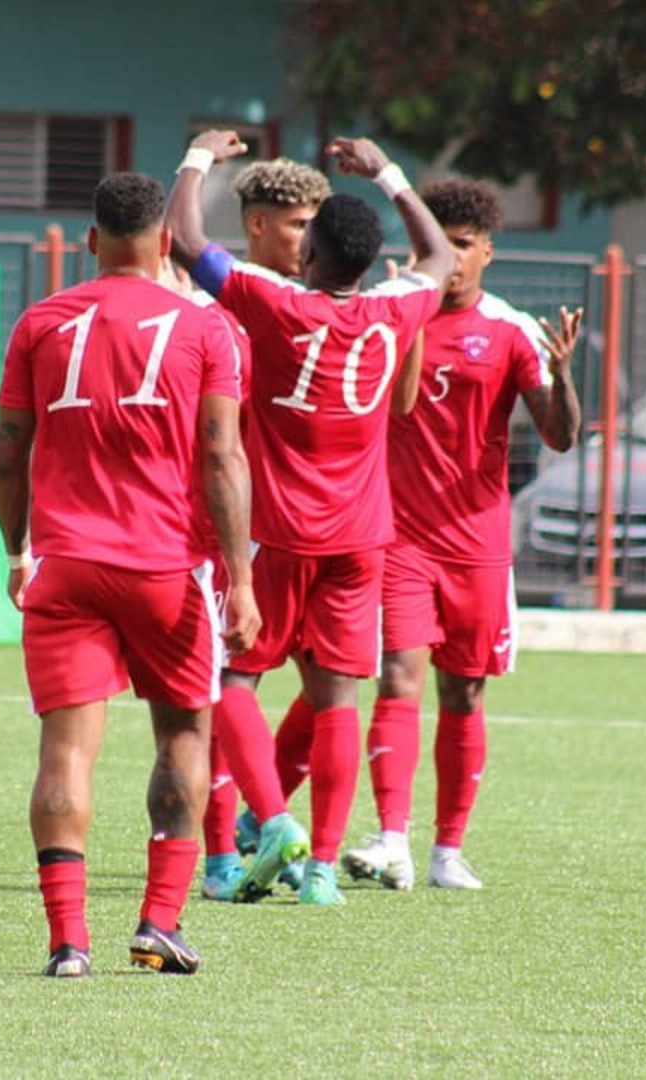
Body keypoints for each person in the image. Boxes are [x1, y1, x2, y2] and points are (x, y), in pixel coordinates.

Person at [266, 179, 583, 891]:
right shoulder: (392, 313)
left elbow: (561, 436)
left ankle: (448, 850)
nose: (453, 260)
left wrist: (562, 378)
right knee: (397, 678)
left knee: (465, 693)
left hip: (478, 543)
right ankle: (391, 841)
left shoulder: (511, 331)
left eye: (465, 246)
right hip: (395, 535)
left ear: (487, 253)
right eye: (442, 246)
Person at [166, 127, 454, 906]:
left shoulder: (279, 301)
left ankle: (266, 825)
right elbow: (440, 260)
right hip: (363, 536)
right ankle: (321, 869)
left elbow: (187, 240)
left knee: (231, 679)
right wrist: (391, 172)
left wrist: (197, 158)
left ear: (314, 250)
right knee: (337, 702)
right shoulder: (397, 308)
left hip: (278, 533)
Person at [0, 172, 259, 976]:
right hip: (165, 568)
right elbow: (221, 455)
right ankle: (158, 923)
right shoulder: (203, 329)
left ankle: (68, 943)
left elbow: (7, 450)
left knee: (65, 753)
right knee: (183, 732)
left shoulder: (42, 322)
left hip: (66, 565)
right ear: (165, 242)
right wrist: (240, 578)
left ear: (90, 239)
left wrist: (16, 551)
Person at [195, 158, 332, 904]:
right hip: (240, 531)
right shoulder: (224, 313)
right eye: (298, 226)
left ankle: (262, 817)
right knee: (219, 685)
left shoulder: (324, 309)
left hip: (318, 532)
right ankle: (223, 852)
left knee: (321, 686)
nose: (309, 241)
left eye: (316, 226)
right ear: (257, 226)